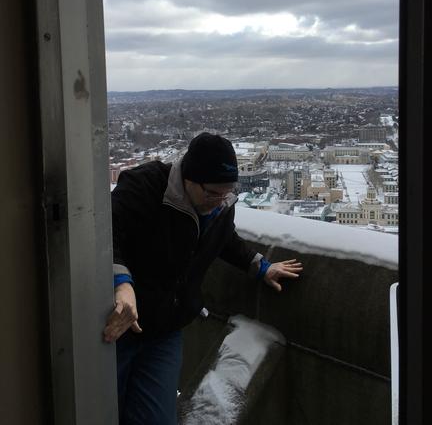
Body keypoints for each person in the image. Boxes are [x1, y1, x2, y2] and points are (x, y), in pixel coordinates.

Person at [103, 132, 303, 425]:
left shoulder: (220, 204)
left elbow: (223, 239)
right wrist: (121, 283)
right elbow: (104, 232)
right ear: (188, 178)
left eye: (226, 194)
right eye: (212, 193)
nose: (219, 201)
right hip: (120, 327)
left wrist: (261, 267)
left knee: (157, 418)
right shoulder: (144, 186)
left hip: (165, 331)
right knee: (104, 410)